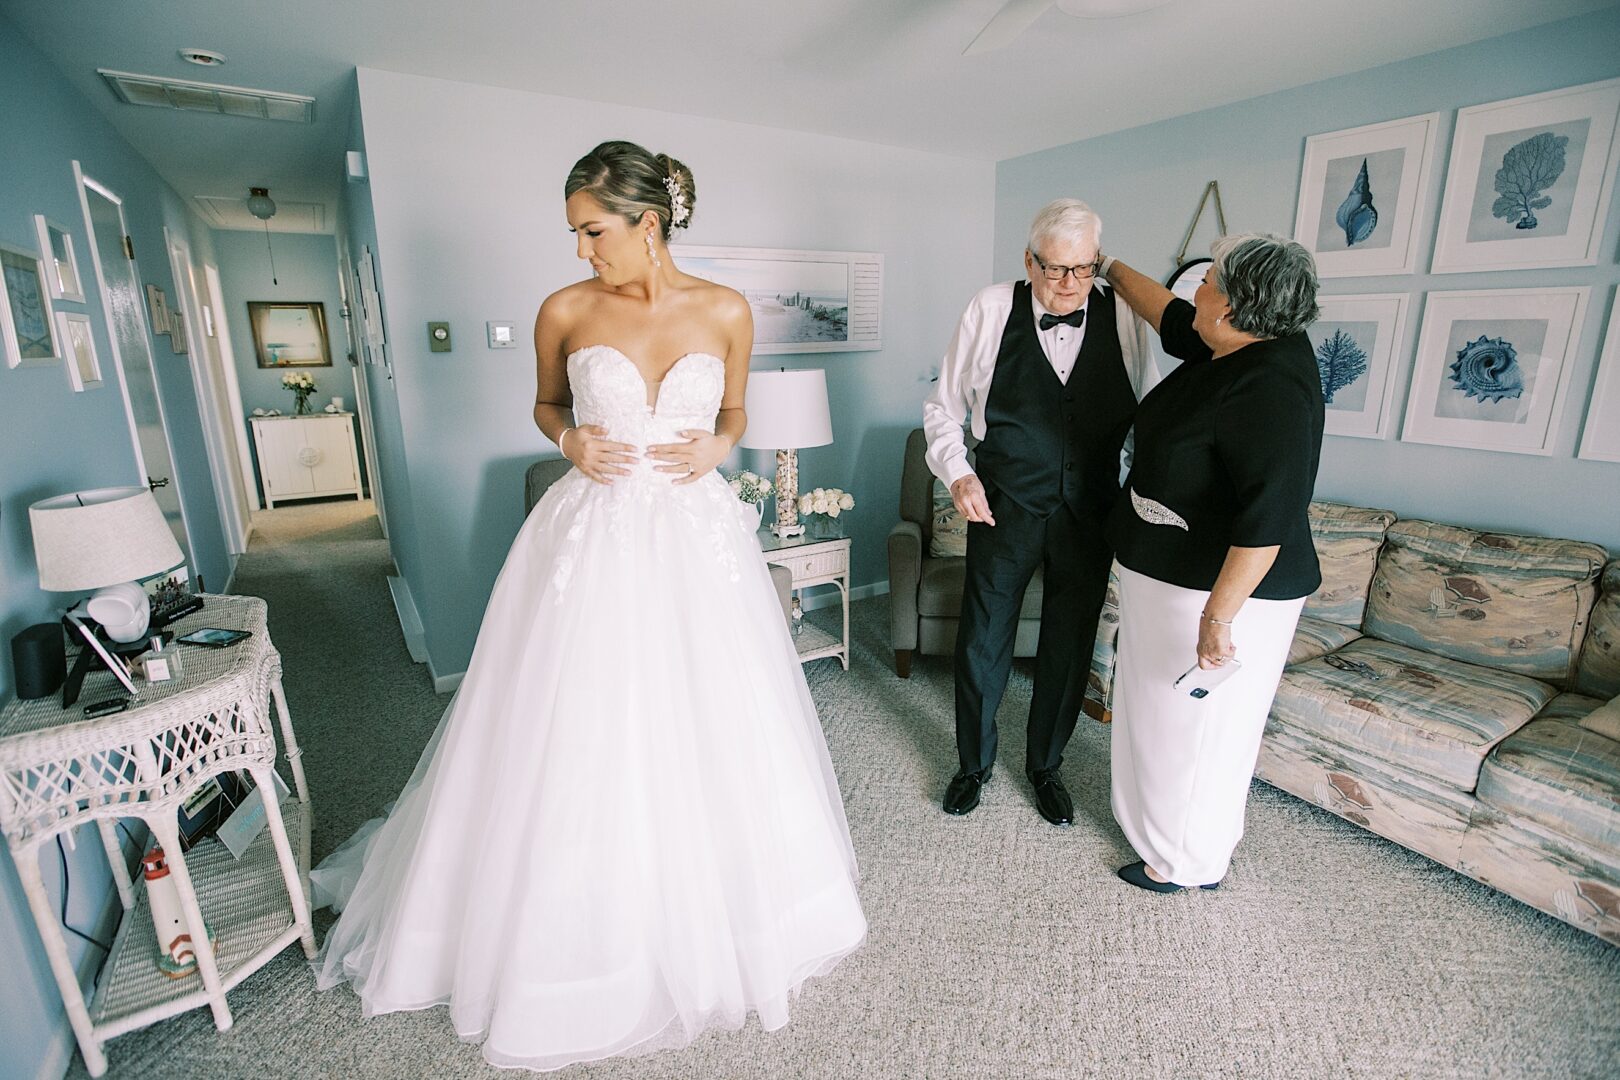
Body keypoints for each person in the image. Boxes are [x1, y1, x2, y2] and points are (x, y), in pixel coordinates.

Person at [308, 140, 867, 1070]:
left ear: (648, 224)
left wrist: (715, 451)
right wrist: (570, 444)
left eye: (592, 230)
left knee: (713, 712)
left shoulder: (726, 310)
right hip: (592, 534)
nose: (579, 250)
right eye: (574, 232)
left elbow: (732, 414)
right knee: (577, 720)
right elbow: (540, 404)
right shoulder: (564, 310)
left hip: (695, 534)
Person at [1098, 233, 1325, 892]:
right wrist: (1108, 265)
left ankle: (1186, 863)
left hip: (1221, 594)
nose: (1195, 288)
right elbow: (1167, 315)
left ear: (1230, 309)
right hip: (1165, 574)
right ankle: (1154, 833)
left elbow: (1268, 521)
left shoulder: (1272, 386)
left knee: (1195, 732)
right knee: (1155, 714)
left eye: (1208, 283)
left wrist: (1218, 620)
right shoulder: (1234, 342)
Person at [923, 199, 1160, 825]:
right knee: (983, 639)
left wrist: (1138, 496)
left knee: (1069, 641)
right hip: (1003, 505)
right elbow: (942, 410)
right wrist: (959, 474)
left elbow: (1141, 414)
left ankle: (1045, 766)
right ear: (1029, 260)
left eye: (1084, 270)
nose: (1069, 285)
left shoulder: (1124, 316)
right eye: (1055, 269)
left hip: (1091, 509)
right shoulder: (991, 308)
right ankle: (972, 763)